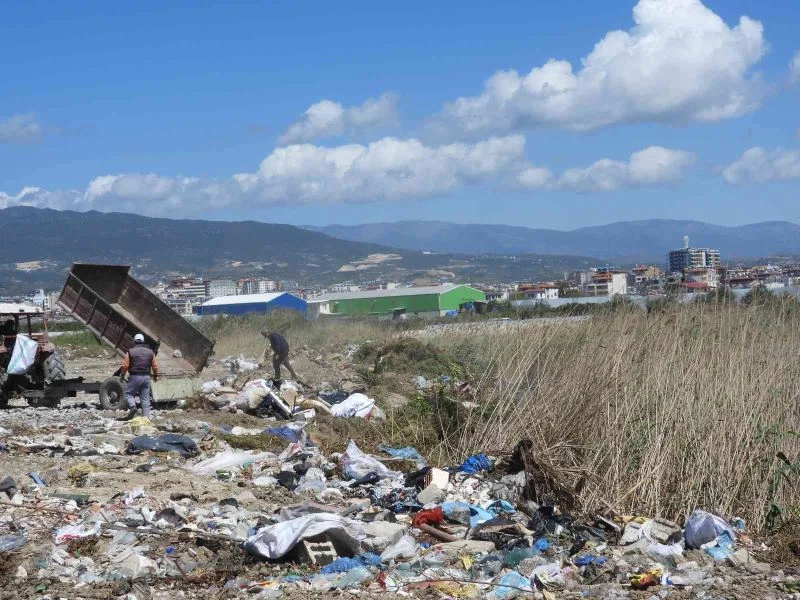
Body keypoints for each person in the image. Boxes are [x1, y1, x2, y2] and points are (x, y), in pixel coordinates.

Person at [119, 333, 158, 420]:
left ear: (134, 341)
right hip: (146, 377)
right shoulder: (150, 352)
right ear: (143, 341)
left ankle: (133, 407)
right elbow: (155, 366)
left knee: (129, 394)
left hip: (134, 376)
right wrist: (155, 376)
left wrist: (122, 375)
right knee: (145, 398)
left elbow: (125, 366)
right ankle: (146, 418)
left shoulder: (130, 352)